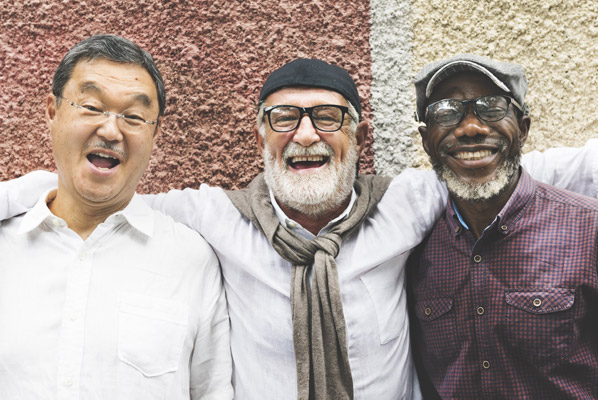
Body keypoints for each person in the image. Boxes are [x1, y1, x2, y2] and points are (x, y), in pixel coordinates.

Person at [1, 57, 597, 399]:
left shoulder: (406, 203)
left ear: (357, 136)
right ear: (261, 136)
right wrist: (30, 192)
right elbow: (110, 188)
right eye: (284, 117)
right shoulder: (216, 218)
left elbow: (521, 169)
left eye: (328, 117)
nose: (306, 134)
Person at [0, 35, 233, 399]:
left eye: (134, 116)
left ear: (155, 133)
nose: (111, 130)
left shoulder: (191, 261)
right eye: (92, 107)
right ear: (52, 111)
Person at [407, 54, 598, 399]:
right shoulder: (411, 245)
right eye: (447, 112)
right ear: (426, 138)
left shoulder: (589, 230)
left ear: (523, 128)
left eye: (492, 107)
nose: (470, 129)